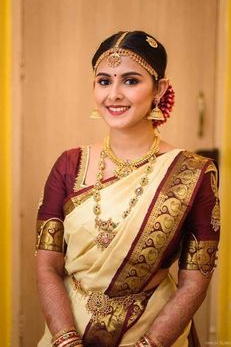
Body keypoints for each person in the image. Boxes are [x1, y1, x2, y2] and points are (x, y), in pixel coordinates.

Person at [35, 31, 220, 347]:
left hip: (153, 328)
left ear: (159, 89)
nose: (114, 94)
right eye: (104, 81)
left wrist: (149, 343)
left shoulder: (193, 174)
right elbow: (47, 266)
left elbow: (195, 282)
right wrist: (65, 338)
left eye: (131, 81)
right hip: (69, 328)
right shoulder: (68, 165)